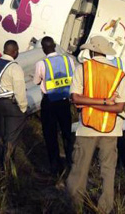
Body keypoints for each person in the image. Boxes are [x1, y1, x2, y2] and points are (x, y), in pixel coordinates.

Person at [66, 36, 125, 214]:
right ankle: (104, 208)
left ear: (92, 50)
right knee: (108, 172)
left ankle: (75, 206)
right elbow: (120, 106)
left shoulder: (83, 69)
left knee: (79, 169)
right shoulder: (119, 74)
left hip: (86, 127)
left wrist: (90, 103)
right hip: (111, 129)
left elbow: (75, 98)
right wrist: (105, 102)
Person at [33, 36, 75, 175]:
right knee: (67, 133)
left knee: (50, 134)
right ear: (55, 45)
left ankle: (55, 166)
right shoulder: (67, 59)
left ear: (44, 49)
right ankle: (71, 161)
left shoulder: (41, 63)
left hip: (49, 102)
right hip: (64, 100)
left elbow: (37, 81)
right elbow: (73, 77)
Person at [0, 40, 28, 170]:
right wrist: (23, 107)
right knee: (12, 136)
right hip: (10, 103)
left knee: (0, 133)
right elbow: (19, 89)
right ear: (15, 52)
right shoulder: (15, 67)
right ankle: (8, 165)